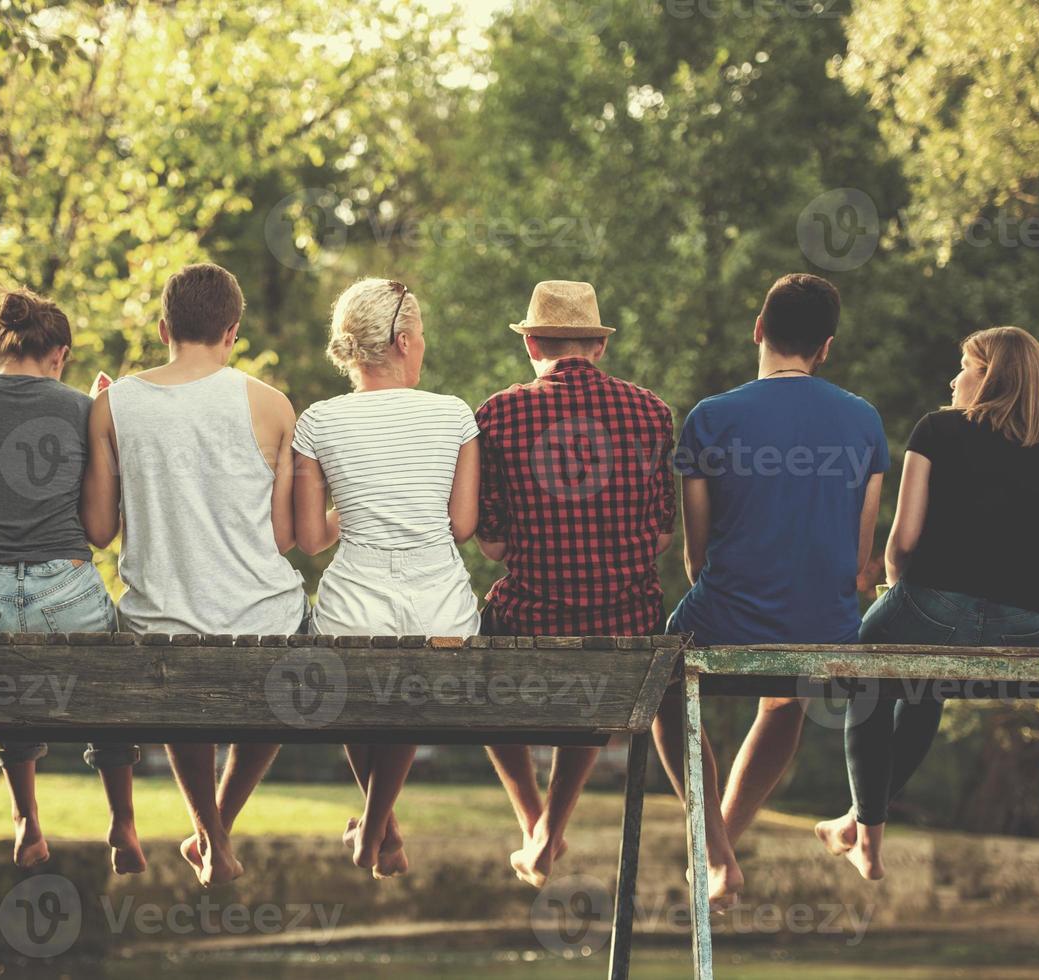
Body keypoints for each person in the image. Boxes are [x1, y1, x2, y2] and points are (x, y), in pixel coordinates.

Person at [653, 273, 888, 909]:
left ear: (759, 330)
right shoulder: (865, 422)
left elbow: (695, 554)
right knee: (784, 699)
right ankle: (720, 848)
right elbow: (860, 559)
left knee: (663, 683)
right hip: (829, 622)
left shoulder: (711, 418)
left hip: (728, 610)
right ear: (827, 348)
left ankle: (714, 850)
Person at [816, 326, 1039, 880]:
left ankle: (867, 835)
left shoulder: (936, 430)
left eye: (966, 365)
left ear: (993, 378)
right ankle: (854, 823)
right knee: (925, 683)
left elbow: (904, 542)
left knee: (871, 672)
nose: (954, 377)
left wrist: (899, 592)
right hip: (1024, 629)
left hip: (932, 604)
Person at [81, 262, 307, 886]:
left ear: (163, 328)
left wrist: (108, 419)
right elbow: (285, 538)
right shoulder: (270, 404)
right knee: (284, 672)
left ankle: (211, 834)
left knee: (175, 649)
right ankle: (217, 831)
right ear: (232, 332)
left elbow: (99, 530)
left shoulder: (112, 405)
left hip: (161, 622)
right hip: (267, 621)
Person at [0, 287, 142, 874]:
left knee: (4, 673)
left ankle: (26, 818)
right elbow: (101, 533)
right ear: (61, 354)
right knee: (115, 664)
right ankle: (122, 819)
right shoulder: (79, 407)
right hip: (65, 592)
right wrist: (105, 425)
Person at [474, 280, 676, 888]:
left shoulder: (498, 412)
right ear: (599, 347)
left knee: (479, 676)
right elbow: (663, 537)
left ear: (531, 343)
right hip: (628, 626)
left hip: (530, 619)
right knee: (599, 654)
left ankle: (535, 823)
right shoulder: (652, 410)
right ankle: (546, 832)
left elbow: (492, 545)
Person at [293, 278, 481, 879]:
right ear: (403, 341)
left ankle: (378, 832)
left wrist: (355, 504)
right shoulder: (454, 415)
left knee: (356, 675)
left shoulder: (318, 421)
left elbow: (312, 540)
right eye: (420, 337)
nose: (422, 347)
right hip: (441, 610)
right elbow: (460, 525)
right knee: (411, 683)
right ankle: (380, 832)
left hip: (354, 608)